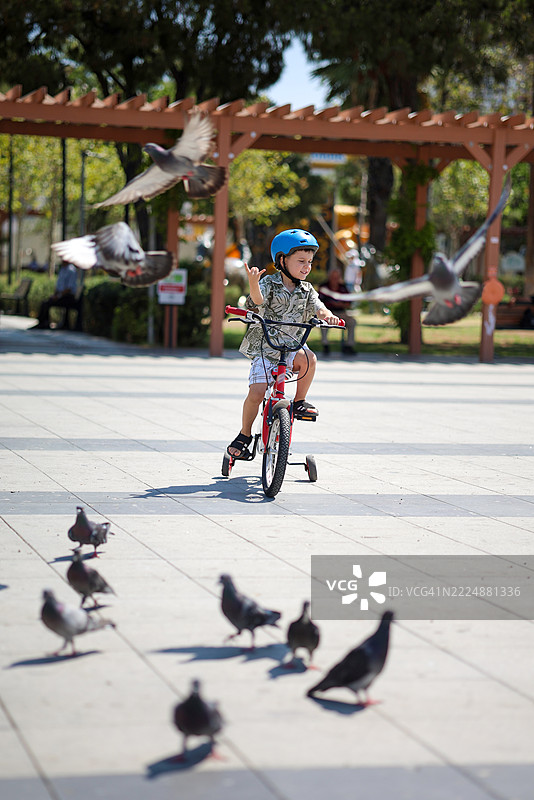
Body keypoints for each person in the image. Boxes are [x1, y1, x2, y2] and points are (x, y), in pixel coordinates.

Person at [227, 229, 341, 459]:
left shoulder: (307, 290)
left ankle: (299, 401)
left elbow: (319, 307)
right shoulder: (269, 283)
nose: (306, 267)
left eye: (309, 262)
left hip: (292, 346)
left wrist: (328, 316)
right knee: (257, 393)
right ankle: (245, 434)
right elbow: (257, 301)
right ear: (282, 260)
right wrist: (253, 284)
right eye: (301, 261)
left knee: (309, 358)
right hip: (266, 348)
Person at [318, 267, 357, 356]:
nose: (335, 279)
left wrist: (341, 305)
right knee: (323, 323)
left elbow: (349, 302)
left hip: (341, 313)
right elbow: (319, 303)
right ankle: (325, 345)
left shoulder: (343, 288)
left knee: (352, 321)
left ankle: (349, 346)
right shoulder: (324, 287)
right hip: (327, 313)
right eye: (333, 277)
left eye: (337, 277)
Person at [32, 260, 79, 330]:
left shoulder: (71, 270)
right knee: (45, 302)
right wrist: (55, 294)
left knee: (47, 303)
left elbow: (69, 288)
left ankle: (45, 323)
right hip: (61, 295)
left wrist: (58, 296)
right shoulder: (62, 269)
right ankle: (43, 322)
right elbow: (59, 285)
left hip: (68, 297)